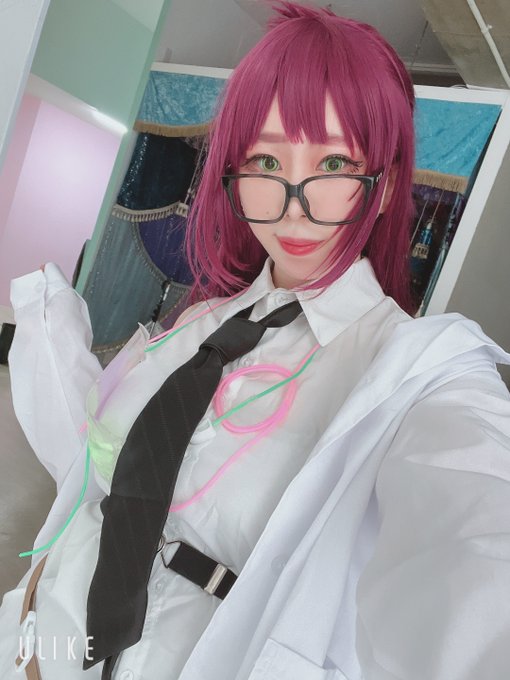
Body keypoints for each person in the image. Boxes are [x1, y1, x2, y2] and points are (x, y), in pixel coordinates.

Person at [2, 2, 510, 679]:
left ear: (385, 186)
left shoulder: (415, 375)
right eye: (267, 159)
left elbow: (478, 536)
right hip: (31, 637)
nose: (294, 204)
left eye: (334, 161)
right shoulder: (196, 326)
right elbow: (104, 469)